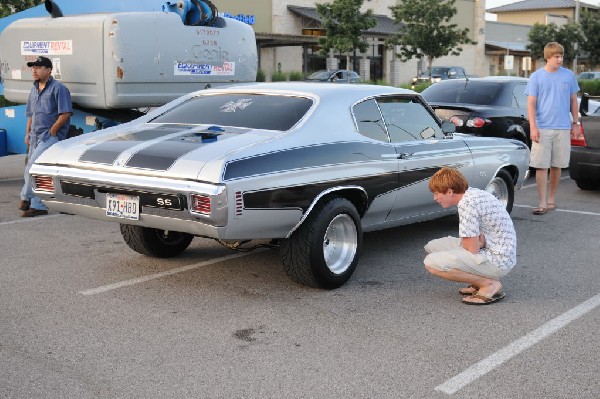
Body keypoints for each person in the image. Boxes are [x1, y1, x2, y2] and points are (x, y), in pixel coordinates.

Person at [423, 167, 517, 305]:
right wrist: (478, 242)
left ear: (449, 191)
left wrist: (477, 244)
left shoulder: (467, 204)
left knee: (431, 263)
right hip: (496, 250)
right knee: (433, 247)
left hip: (498, 260)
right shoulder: (472, 193)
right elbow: (474, 243)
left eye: (437, 193)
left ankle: (489, 284)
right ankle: (477, 281)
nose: (435, 198)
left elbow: (472, 249)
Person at [525, 42, 580, 215]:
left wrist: (576, 123)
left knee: (557, 165)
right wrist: (533, 127)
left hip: (563, 127)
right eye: (557, 56)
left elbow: (573, 101)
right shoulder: (536, 77)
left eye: (561, 56)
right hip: (542, 128)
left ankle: (551, 200)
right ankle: (541, 202)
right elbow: (531, 103)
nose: (560, 59)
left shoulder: (569, 75)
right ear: (548, 57)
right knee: (541, 166)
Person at [19, 56, 73, 217]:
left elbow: (65, 113)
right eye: (33, 67)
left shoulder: (58, 88)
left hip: (48, 137)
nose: (34, 70)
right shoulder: (34, 89)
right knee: (36, 171)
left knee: (31, 169)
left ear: (49, 70)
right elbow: (31, 114)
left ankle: (25, 197)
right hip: (34, 136)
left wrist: (53, 131)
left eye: (38, 67)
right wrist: (27, 134)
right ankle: (38, 206)